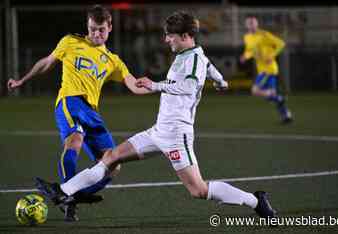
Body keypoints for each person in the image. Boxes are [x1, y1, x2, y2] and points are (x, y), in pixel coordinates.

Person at [35, 11, 276, 221]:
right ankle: (63, 190)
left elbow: (190, 86)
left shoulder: (192, 59)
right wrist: (220, 79)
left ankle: (255, 201)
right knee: (111, 157)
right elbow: (208, 63)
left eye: (171, 35)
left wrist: (156, 85)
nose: (166, 39)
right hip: (159, 130)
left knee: (198, 190)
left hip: (176, 135)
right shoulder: (193, 55)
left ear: (185, 37)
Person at [7, 5, 150, 221]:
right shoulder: (70, 41)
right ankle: (68, 201)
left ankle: (73, 194)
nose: (96, 34)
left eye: (101, 29)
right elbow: (47, 62)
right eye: (92, 29)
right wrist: (22, 80)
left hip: (92, 112)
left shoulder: (113, 61)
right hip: (70, 101)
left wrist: (158, 87)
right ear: (87, 25)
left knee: (113, 164)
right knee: (74, 140)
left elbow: (133, 85)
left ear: (110, 27)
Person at [240, 15, 293, 124]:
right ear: (246, 25)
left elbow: (281, 44)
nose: (251, 25)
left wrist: (272, 55)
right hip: (262, 70)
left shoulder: (264, 35)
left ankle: (279, 99)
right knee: (271, 96)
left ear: (257, 24)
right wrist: (245, 56)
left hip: (268, 69)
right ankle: (286, 115)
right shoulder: (247, 37)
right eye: (249, 23)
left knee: (255, 90)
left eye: (253, 22)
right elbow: (250, 50)